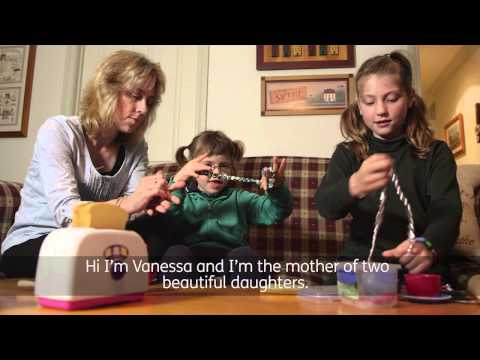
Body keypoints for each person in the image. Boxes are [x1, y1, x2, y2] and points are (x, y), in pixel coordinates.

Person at [0, 50, 183, 278]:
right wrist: (130, 203)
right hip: (38, 241)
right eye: (135, 96)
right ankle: (127, 272)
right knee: (81, 253)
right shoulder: (58, 131)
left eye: (150, 101)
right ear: (106, 91)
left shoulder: (136, 146)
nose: (143, 109)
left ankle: (123, 272)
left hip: (97, 240)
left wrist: (147, 203)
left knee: (164, 223)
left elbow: (132, 212)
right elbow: (67, 214)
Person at [315, 51, 462, 277]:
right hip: (359, 264)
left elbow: (448, 213)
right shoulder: (348, 153)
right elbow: (326, 206)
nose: (381, 110)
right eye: (370, 101)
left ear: (410, 97)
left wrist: (428, 245)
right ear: (360, 106)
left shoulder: (436, 153)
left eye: (392, 99)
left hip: (418, 266)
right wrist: (353, 185)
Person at [158, 130, 293, 282]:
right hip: (191, 260)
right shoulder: (182, 197)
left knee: (245, 257)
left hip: (230, 259)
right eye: (208, 165)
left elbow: (276, 212)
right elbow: (165, 215)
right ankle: (177, 303)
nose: (216, 172)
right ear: (191, 168)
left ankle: (244, 303)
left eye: (224, 166)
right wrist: (179, 181)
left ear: (232, 169)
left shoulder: (241, 198)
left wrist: (276, 189)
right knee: (176, 253)